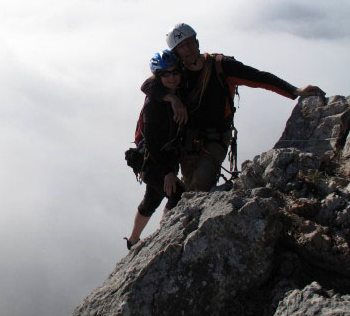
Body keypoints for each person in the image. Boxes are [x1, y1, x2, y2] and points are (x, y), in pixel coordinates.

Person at [142, 23, 325, 192]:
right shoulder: (176, 73)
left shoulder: (222, 66)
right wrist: (173, 99)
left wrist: (293, 90)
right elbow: (148, 86)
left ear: (197, 42)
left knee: (199, 185)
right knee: (189, 185)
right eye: (181, 47)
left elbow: (259, 78)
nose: (187, 49)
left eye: (190, 43)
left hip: (216, 136)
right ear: (175, 52)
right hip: (189, 139)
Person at [125, 50, 184, 250]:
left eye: (175, 72)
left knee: (153, 198)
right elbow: (151, 142)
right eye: (165, 74)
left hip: (161, 158)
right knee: (178, 195)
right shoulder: (154, 105)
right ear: (158, 77)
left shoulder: (172, 93)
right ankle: (164, 237)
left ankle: (132, 241)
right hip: (153, 161)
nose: (172, 77)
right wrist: (168, 172)